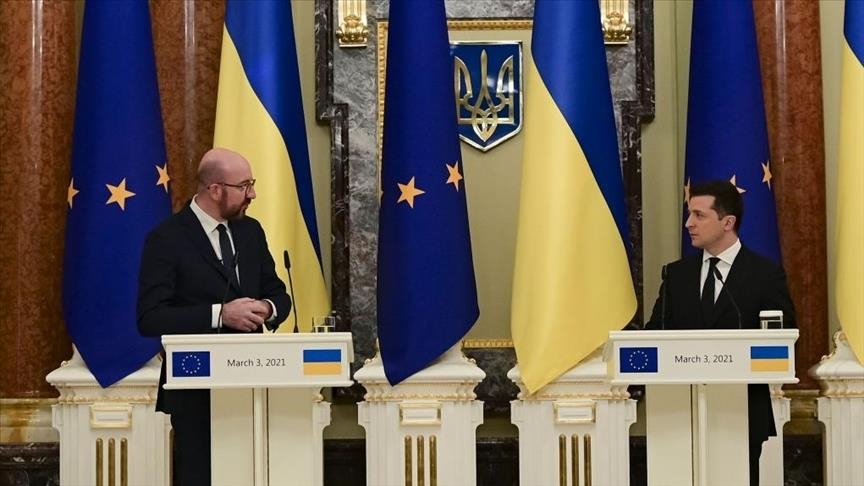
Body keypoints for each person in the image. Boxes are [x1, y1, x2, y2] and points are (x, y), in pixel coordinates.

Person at [137, 148, 291, 485]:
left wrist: (267, 308)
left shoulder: (250, 232)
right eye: (244, 186)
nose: (252, 194)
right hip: (195, 392)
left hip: (253, 383)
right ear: (215, 190)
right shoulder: (167, 238)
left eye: (252, 184)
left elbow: (279, 294)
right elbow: (151, 317)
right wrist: (220, 315)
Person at [645, 179, 795, 486]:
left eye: (699, 215)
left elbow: (785, 338)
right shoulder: (676, 275)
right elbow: (654, 334)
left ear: (728, 222)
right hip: (676, 413)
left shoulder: (765, 275)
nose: (689, 224)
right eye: (689, 214)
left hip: (742, 414)